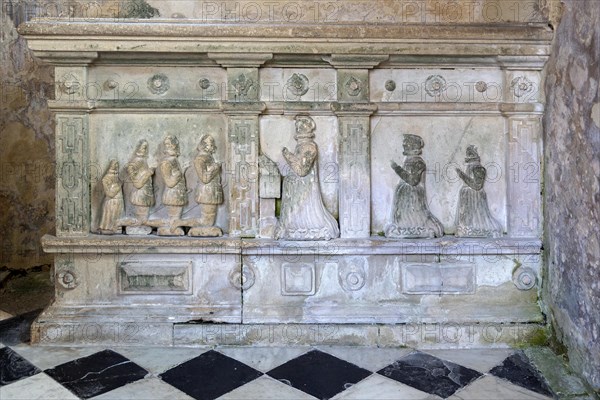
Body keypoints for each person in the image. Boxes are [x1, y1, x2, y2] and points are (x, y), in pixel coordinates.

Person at [276, 115, 339, 240]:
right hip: (296, 188)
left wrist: (288, 155)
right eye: (297, 126)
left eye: (299, 126)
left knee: (306, 218)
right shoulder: (302, 146)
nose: (297, 129)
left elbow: (302, 170)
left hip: (305, 189)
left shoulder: (310, 147)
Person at [385, 134, 443, 238]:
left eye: (406, 143)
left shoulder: (418, 162)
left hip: (412, 196)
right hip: (406, 195)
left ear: (412, 145)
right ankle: (405, 227)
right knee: (403, 220)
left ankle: (413, 228)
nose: (404, 145)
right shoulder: (409, 160)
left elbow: (413, 181)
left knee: (413, 219)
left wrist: (397, 168)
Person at [455, 145, 502, 237]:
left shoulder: (478, 168)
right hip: (467, 195)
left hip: (474, 196)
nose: (467, 155)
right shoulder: (470, 167)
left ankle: (476, 230)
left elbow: (477, 186)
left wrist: (462, 175)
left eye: (469, 153)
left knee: (478, 219)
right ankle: (466, 229)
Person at [193, 134, 223, 229]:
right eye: (210, 144)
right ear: (204, 145)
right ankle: (179, 223)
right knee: (207, 222)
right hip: (207, 192)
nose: (212, 146)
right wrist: (215, 167)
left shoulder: (208, 157)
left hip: (212, 191)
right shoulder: (200, 158)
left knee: (209, 221)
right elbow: (204, 178)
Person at [159, 135, 187, 236]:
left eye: (171, 143)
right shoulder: (166, 162)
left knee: (176, 219)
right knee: (173, 219)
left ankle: (174, 228)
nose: (169, 146)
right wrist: (180, 172)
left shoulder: (174, 160)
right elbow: (169, 182)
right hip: (172, 194)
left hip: (178, 193)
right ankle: (171, 230)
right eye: (167, 144)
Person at [126, 139, 154, 224]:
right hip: (140, 192)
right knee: (141, 218)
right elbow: (137, 182)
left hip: (145, 191)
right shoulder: (136, 161)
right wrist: (149, 172)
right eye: (143, 147)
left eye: (146, 148)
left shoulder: (142, 160)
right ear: (138, 148)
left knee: (144, 216)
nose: (144, 150)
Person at [99, 159, 124, 234]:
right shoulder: (106, 179)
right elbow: (110, 193)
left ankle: (115, 227)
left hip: (118, 200)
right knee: (110, 216)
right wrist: (118, 186)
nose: (116, 166)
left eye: (117, 165)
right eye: (114, 165)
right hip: (111, 201)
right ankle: (108, 228)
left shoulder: (117, 177)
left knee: (117, 216)